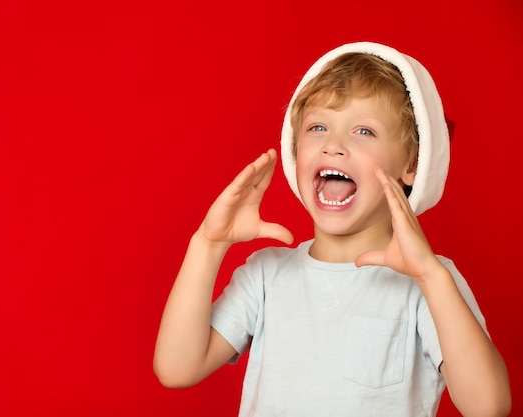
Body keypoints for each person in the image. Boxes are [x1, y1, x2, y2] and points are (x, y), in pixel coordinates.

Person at [153, 42, 511, 416]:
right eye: (318, 127)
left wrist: (431, 277)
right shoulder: (265, 275)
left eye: (364, 132)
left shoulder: (429, 284)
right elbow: (177, 368)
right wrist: (208, 244)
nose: (333, 146)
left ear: (411, 165)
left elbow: (488, 407)